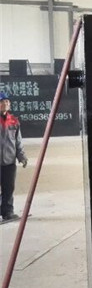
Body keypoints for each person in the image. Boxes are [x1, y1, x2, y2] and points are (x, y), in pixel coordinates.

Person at [1, 92, 28, 222]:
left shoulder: (14, 121)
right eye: (2, 102)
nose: (5, 104)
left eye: (7, 101)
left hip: (9, 162)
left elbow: (18, 141)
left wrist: (22, 157)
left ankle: (8, 212)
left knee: (9, 188)